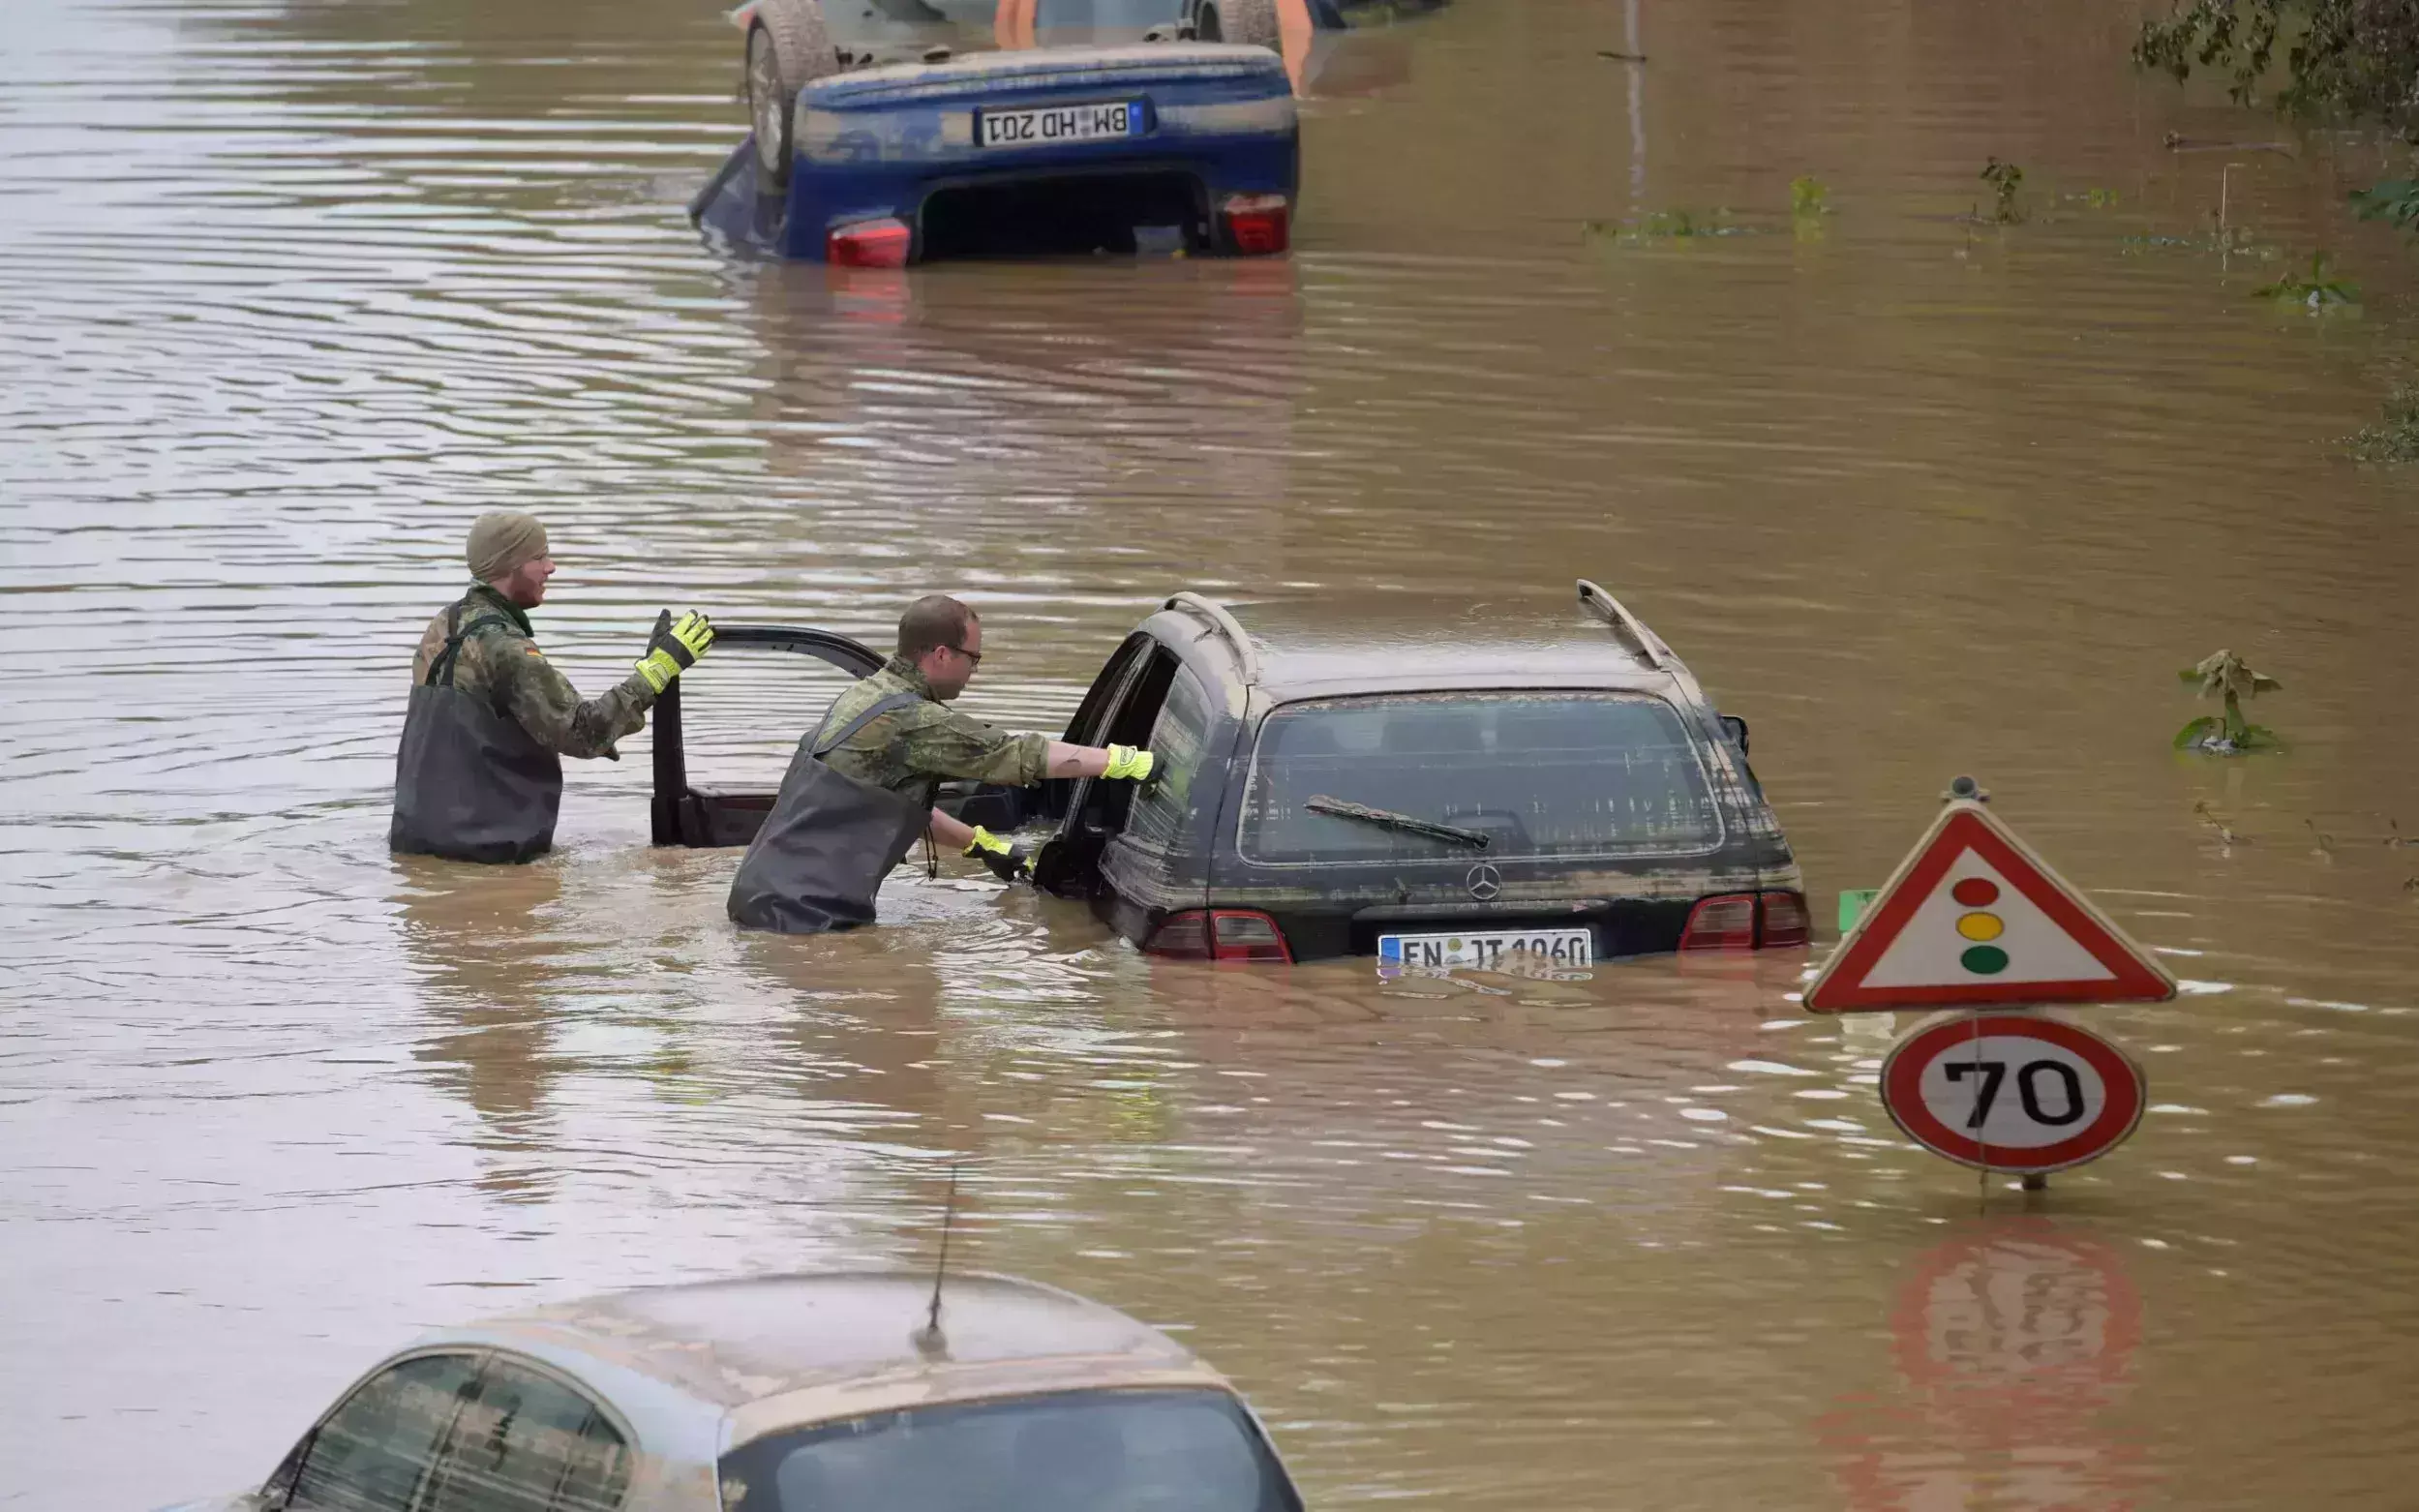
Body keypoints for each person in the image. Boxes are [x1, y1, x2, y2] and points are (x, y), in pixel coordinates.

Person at [728, 593, 1157, 934]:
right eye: (974, 657)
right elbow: (1015, 753)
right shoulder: (913, 720)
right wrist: (1123, 761)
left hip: (761, 899)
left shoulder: (868, 695)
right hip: (801, 920)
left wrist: (981, 844)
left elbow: (885, 803)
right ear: (941, 654)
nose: (975, 670)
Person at [391, 510, 716, 863]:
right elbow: (582, 731)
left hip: (415, 843)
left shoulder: (444, 626)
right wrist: (658, 670)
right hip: (490, 856)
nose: (551, 567)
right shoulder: (506, 647)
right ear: (509, 565)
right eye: (539, 557)